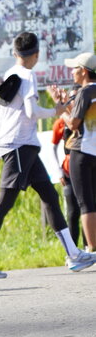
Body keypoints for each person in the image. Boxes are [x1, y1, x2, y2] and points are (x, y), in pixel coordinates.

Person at [0, 32, 96, 278]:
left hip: (21, 145)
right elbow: (31, 111)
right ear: (36, 54)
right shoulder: (28, 75)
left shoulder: (11, 74)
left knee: (50, 196)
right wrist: (56, 110)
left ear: (15, 53)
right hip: (19, 146)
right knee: (5, 200)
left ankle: (74, 255)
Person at [61, 51, 96, 252]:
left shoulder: (84, 92)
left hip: (82, 150)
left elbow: (73, 124)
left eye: (75, 68)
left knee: (85, 203)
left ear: (83, 71)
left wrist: (61, 108)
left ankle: (91, 248)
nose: (72, 72)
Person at [51, 83, 84, 247]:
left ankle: (89, 247)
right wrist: (58, 171)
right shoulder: (60, 122)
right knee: (72, 212)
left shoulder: (88, 117)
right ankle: (73, 250)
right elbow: (53, 147)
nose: (74, 101)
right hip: (68, 170)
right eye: (71, 98)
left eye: (77, 98)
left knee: (88, 209)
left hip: (87, 168)